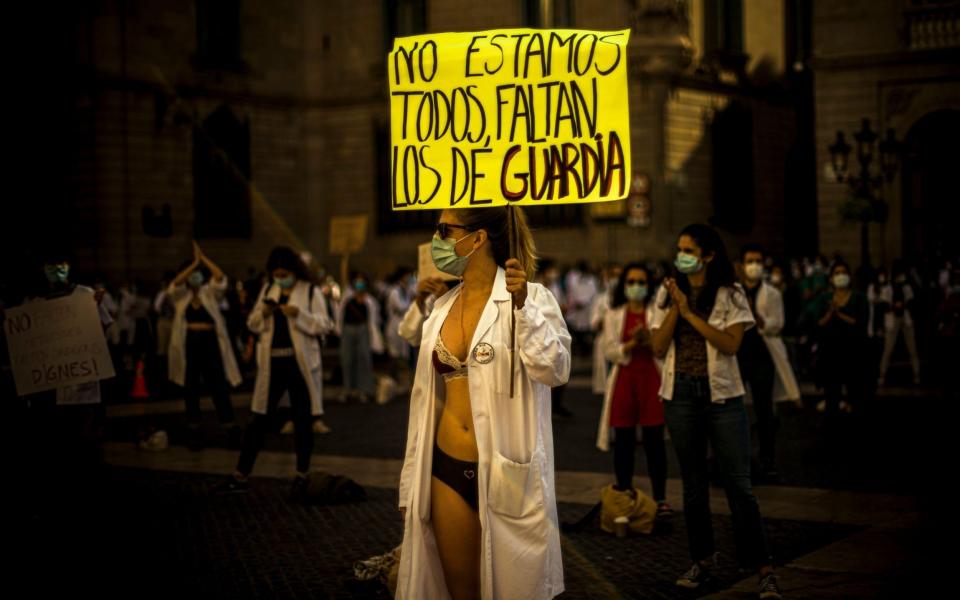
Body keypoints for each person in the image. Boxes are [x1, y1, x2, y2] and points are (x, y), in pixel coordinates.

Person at [396, 206, 570, 599]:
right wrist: (409, 484)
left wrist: (523, 307)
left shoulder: (532, 298)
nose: (436, 240)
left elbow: (554, 370)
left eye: (444, 229)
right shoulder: (441, 308)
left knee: (513, 586)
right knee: (461, 592)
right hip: (445, 467)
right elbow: (424, 403)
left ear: (477, 238)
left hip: (508, 471)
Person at [650, 224, 781, 599]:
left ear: (708, 255)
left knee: (740, 486)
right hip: (681, 396)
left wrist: (690, 314)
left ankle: (764, 568)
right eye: (679, 249)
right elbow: (658, 346)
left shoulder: (731, 293)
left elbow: (731, 343)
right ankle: (703, 561)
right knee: (693, 488)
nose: (681, 255)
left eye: (688, 250)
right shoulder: (669, 291)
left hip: (722, 396)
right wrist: (677, 307)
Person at [215, 247, 334, 499]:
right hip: (272, 365)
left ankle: (301, 474)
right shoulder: (269, 290)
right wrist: (265, 312)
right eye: (276, 274)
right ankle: (240, 475)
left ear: (294, 271)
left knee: (303, 421)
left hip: (300, 365)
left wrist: (299, 315)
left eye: (284, 273)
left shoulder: (309, 291)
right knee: (258, 419)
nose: (280, 278)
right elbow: (253, 324)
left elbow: (325, 325)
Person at [595, 263, 671, 517]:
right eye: (631, 282)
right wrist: (630, 344)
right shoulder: (614, 314)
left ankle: (660, 498)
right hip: (624, 382)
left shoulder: (657, 313)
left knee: (654, 442)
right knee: (624, 442)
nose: (636, 287)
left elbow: (664, 347)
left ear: (649, 286)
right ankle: (624, 494)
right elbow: (609, 350)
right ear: (624, 286)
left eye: (641, 282)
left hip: (651, 380)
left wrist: (648, 340)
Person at [166, 242, 242, 450]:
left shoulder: (210, 293)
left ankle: (230, 426)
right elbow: (175, 285)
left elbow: (220, 278)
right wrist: (193, 265)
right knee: (191, 388)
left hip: (211, 344)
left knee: (219, 386)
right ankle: (194, 430)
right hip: (190, 344)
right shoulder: (182, 296)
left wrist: (203, 260)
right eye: (192, 274)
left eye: (197, 273)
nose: (195, 277)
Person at [739, 245, 801, 483]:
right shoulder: (735, 291)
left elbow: (779, 322)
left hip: (763, 356)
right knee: (733, 409)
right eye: (749, 260)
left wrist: (764, 321)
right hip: (739, 356)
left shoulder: (772, 293)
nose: (753, 265)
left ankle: (768, 459)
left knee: (764, 409)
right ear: (742, 265)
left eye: (757, 261)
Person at [805, 260, 868, 415]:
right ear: (831, 278)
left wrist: (840, 313)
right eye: (837, 273)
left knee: (855, 391)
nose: (841, 276)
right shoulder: (825, 298)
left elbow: (861, 323)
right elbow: (817, 323)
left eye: (843, 273)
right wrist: (830, 313)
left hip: (853, 351)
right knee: (832, 392)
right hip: (830, 353)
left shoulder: (859, 298)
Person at [335, 272, 384, 402]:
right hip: (348, 330)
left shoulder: (370, 301)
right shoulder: (347, 299)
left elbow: (376, 319)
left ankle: (364, 390)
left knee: (364, 359)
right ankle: (348, 390)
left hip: (363, 330)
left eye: (362, 282)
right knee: (347, 360)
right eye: (357, 281)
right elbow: (340, 315)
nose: (359, 284)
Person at [877, 262, 921, 386]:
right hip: (892, 319)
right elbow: (883, 304)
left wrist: (904, 305)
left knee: (912, 348)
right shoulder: (887, 288)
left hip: (905, 319)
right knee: (888, 348)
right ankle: (882, 375)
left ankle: (916, 374)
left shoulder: (907, 287)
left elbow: (912, 302)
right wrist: (893, 305)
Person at [590, 263, 621, 396]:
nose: (616, 279)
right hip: (605, 340)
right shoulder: (601, 299)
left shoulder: (628, 300)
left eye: (619, 276)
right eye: (613, 275)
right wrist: (608, 319)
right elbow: (593, 323)